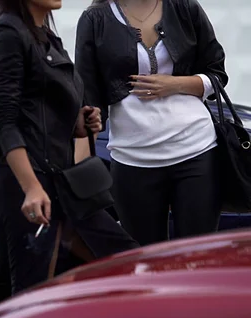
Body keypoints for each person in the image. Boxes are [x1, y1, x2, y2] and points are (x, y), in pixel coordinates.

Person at [0, 0, 139, 295]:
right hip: (32, 187)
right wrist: (31, 188)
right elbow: (6, 122)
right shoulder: (7, 34)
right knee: (34, 293)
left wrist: (79, 121)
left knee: (125, 261)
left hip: (65, 186)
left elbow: (43, 109)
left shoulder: (46, 37)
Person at [74, 0, 228, 246]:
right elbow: (88, 101)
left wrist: (174, 84)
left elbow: (217, 75)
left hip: (195, 149)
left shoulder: (184, 8)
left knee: (198, 256)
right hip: (132, 157)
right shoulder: (95, 19)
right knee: (143, 260)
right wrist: (78, 172)